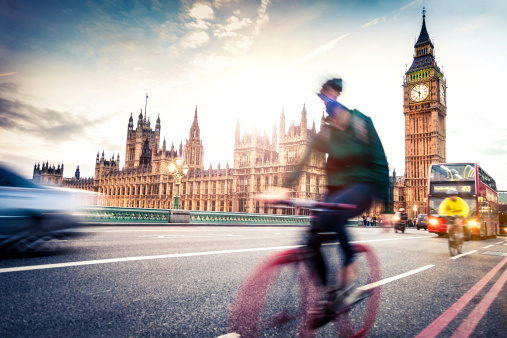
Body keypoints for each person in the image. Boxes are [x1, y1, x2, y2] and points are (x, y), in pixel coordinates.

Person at [261, 77, 389, 328]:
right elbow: (305, 158)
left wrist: (388, 208)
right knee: (311, 237)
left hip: (363, 186)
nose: (326, 101)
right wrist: (284, 187)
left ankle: (350, 273)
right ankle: (329, 294)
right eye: (322, 98)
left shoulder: (361, 122)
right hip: (336, 190)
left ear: (338, 96)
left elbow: (381, 161)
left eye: (329, 96)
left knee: (335, 212)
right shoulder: (326, 131)